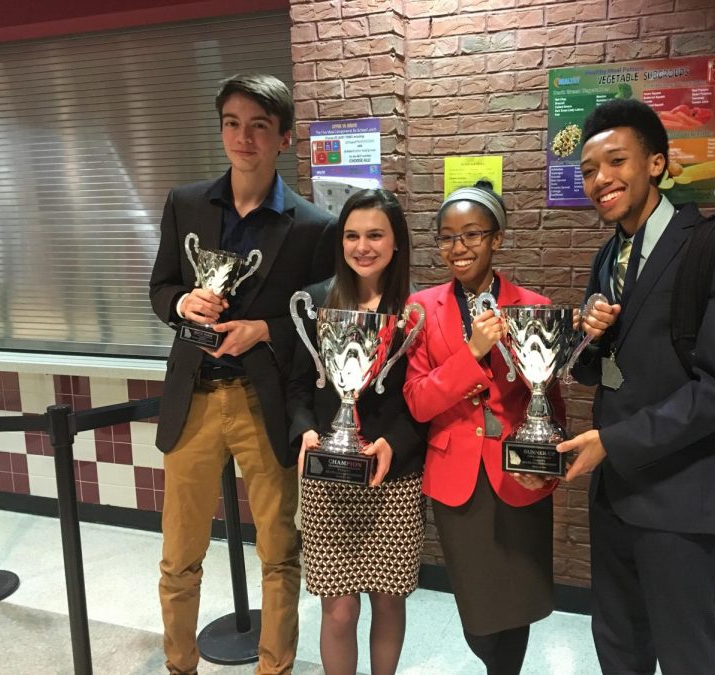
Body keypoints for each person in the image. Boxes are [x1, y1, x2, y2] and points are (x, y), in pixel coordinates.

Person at [557, 99, 715, 674]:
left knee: (687, 655)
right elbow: (590, 370)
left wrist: (616, 442)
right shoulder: (610, 255)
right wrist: (590, 338)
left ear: (656, 163)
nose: (600, 179)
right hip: (615, 498)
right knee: (619, 648)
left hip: (682, 495)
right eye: (588, 169)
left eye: (616, 161)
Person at [148, 73, 334, 675]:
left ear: (284, 138)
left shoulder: (312, 226)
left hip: (266, 401)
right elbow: (160, 288)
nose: (243, 137)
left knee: (280, 553)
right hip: (194, 397)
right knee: (179, 555)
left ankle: (273, 667)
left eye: (259, 126)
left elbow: (324, 311)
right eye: (232, 123)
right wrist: (183, 304)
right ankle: (179, 665)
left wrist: (268, 329)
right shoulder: (185, 203)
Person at [402, 181, 565, 675]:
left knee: (518, 603)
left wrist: (551, 465)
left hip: (520, 474)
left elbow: (551, 405)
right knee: (477, 616)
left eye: (472, 234)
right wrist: (471, 352)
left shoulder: (534, 307)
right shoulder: (422, 309)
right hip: (458, 479)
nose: (459, 247)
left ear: (497, 239)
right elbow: (419, 401)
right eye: (447, 237)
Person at [287, 188, 427, 675]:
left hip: (396, 481)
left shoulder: (418, 311)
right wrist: (304, 432)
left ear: (396, 243)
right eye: (351, 235)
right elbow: (298, 389)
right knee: (339, 609)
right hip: (329, 477)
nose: (362, 246)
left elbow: (427, 401)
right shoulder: (319, 301)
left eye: (374, 235)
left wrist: (398, 442)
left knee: (389, 602)